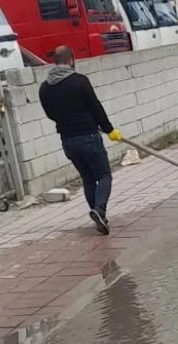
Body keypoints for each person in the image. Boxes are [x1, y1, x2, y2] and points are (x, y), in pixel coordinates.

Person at [38, 45, 122, 235]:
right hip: (89, 137)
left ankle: (99, 217)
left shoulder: (44, 88)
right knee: (104, 175)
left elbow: (50, 114)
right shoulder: (80, 81)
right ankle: (99, 210)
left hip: (68, 141)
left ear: (55, 62)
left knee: (88, 178)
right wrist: (109, 129)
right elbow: (95, 107)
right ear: (71, 60)